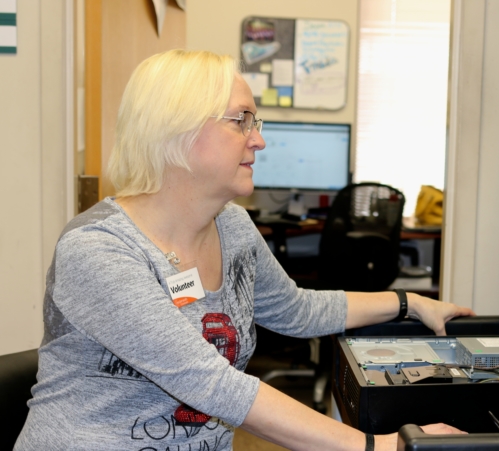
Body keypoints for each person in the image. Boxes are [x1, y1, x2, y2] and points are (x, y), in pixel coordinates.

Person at [14, 49, 474, 451]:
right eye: (241, 122)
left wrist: (409, 304)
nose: (259, 139)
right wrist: (376, 446)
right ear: (176, 130)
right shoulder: (99, 252)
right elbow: (212, 386)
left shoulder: (232, 226)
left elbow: (298, 310)